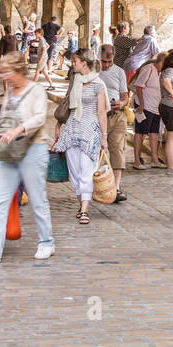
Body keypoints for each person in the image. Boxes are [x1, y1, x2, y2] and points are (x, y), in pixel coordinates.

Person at [0, 50, 55, 264]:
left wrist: (18, 130)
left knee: (37, 198)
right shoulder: (10, 93)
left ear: (18, 70)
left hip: (33, 149)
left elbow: (39, 117)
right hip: (9, 152)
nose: (4, 77)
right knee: (0, 199)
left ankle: (46, 242)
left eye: (6, 72)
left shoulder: (36, 91)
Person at [54, 49, 109, 225]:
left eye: (75, 61)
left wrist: (104, 137)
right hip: (72, 130)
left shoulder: (98, 84)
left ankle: (85, 209)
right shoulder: (75, 80)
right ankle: (81, 204)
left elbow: (101, 112)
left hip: (89, 131)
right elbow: (66, 105)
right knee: (74, 172)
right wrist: (58, 125)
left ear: (84, 63)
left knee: (86, 171)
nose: (72, 64)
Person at [97, 44, 131, 202]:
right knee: (96, 151)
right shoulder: (93, 71)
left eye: (109, 62)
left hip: (116, 115)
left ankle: (115, 188)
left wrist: (122, 103)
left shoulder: (119, 72)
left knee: (117, 150)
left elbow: (125, 95)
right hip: (98, 116)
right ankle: (96, 185)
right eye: (103, 61)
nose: (106, 65)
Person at [130, 50, 168, 168]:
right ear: (161, 61)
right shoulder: (149, 69)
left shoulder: (161, 73)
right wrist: (141, 104)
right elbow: (139, 86)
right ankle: (137, 160)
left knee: (154, 133)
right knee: (140, 132)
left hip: (155, 107)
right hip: (145, 106)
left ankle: (155, 160)